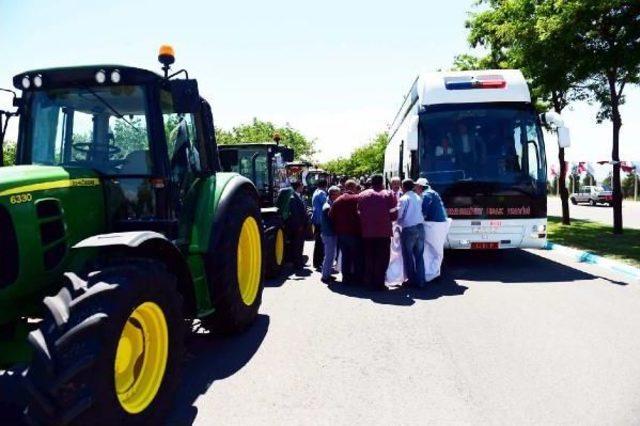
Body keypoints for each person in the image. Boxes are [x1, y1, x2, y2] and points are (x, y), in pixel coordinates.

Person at [357, 174, 397, 291]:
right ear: (382, 182)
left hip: (367, 232)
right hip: (383, 232)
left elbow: (359, 213)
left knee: (369, 257)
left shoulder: (362, 195)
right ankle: (379, 283)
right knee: (382, 258)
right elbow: (394, 215)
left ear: (371, 182)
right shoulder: (389, 194)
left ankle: (368, 281)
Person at [414, 177, 450, 283]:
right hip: (439, 224)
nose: (415, 189)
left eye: (416, 186)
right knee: (436, 249)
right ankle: (434, 271)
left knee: (434, 249)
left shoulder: (427, 194)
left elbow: (424, 210)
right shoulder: (432, 192)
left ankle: (433, 273)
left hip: (435, 225)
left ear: (420, 187)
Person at [329, 179, 363, 284]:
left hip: (342, 233)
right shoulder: (358, 198)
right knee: (357, 256)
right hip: (355, 232)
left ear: (345, 187)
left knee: (345, 256)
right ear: (353, 187)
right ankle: (357, 278)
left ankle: (346, 278)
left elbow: (330, 215)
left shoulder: (338, 200)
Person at [397, 179, 425, 288]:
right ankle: (421, 281)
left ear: (403, 187)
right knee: (419, 256)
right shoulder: (418, 197)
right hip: (420, 227)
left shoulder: (404, 198)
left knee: (408, 256)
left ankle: (411, 280)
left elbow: (399, 215)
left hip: (409, 229)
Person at [285, 181, 308, 269]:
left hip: (301, 225)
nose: (303, 187)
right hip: (298, 226)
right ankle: (297, 263)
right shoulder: (293, 197)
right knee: (297, 245)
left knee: (300, 244)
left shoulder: (298, 196)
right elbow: (295, 214)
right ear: (298, 187)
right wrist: (299, 225)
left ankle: (300, 261)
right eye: (302, 186)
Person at [321, 186, 341, 283]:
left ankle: (327, 273)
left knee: (331, 255)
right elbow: (331, 221)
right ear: (333, 195)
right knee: (329, 255)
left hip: (329, 233)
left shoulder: (330, 204)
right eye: (338, 194)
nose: (339, 196)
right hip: (329, 234)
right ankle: (325, 276)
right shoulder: (328, 206)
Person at [311, 179, 328, 269]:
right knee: (320, 243)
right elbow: (327, 205)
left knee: (318, 243)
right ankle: (319, 262)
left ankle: (316, 262)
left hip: (316, 220)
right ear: (325, 185)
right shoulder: (322, 193)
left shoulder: (315, 192)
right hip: (321, 221)